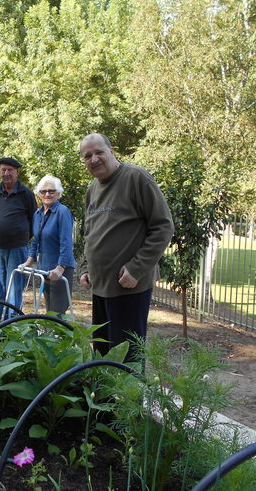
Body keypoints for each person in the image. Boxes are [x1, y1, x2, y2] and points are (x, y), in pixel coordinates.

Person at [78, 133, 174, 362]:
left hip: (128, 286)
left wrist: (136, 269)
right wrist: (85, 267)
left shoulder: (136, 178)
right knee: (102, 354)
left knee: (127, 359)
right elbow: (90, 233)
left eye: (99, 152)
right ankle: (103, 399)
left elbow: (163, 226)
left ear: (111, 151)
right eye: (87, 156)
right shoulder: (93, 189)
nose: (94, 159)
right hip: (100, 287)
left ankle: (127, 400)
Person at [0, 157, 37, 321]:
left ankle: (11, 327)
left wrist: (19, 236)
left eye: (10, 170)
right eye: (3, 170)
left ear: (17, 172)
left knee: (13, 288)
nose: (6, 173)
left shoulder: (26, 194)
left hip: (17, 248)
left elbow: (33, 220)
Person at [23, 175, 76, 315]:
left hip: (60, 268)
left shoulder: (62, 212)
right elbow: (36, 240)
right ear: (39, 194)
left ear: (58, 193)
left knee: (57, 313)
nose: (47, 194)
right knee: (49, 311)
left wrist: (60, 268)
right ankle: (51, 335)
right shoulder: (38, 213)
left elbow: (66, 243)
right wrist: (29, 261)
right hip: (44, 269)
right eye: (43, 191)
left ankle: (60, 336)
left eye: (51, 191)